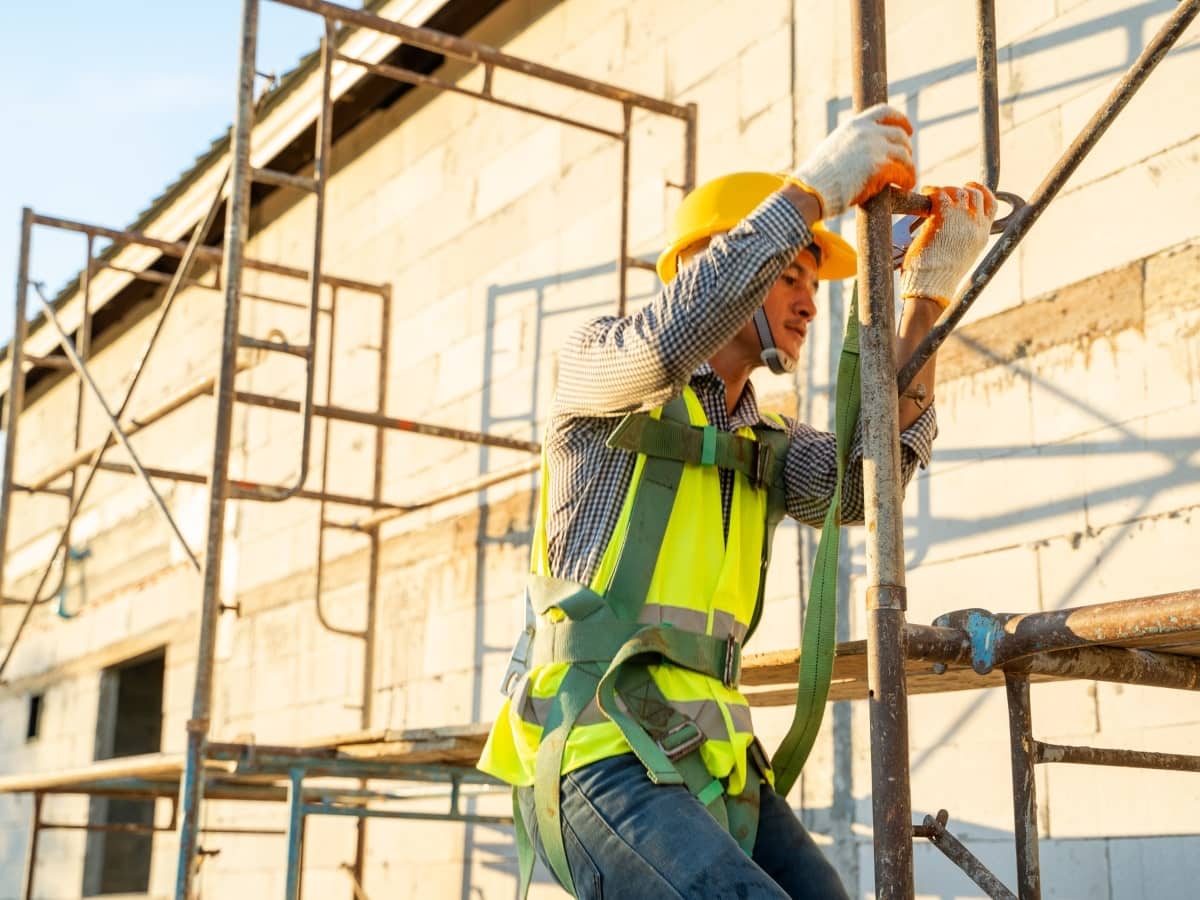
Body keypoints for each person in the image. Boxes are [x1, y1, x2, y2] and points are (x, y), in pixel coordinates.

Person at [479, 103, 997, 899]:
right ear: (711, 268)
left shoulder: (765, 440)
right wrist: (810, 193)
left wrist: (924, 299)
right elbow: (664, 346)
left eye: (811, 281)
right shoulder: (601, 374)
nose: (810, 300)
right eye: (791, 274)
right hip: (597, 755)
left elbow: (867, 488)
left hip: (708, 764)